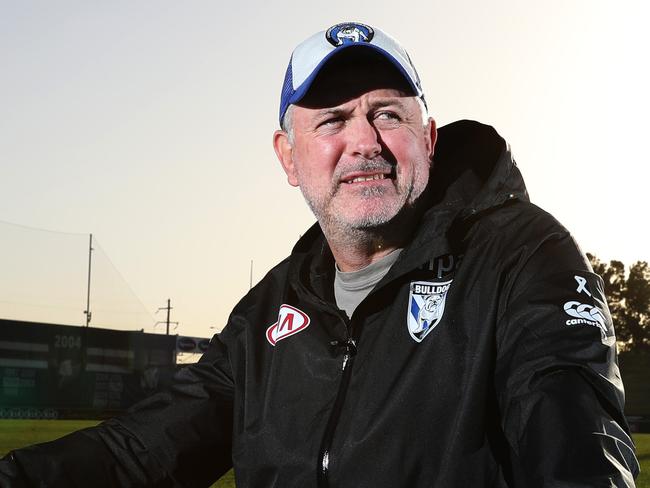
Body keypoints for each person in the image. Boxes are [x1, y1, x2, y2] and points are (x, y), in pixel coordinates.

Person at [0, 22, 640, 488]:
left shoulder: (521, 254)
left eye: (386, 114)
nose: (365, 141)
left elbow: (571, 428)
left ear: (428, 138)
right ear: (287, 156)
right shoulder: (272, 308)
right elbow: (141, 454)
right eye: (332, 120)